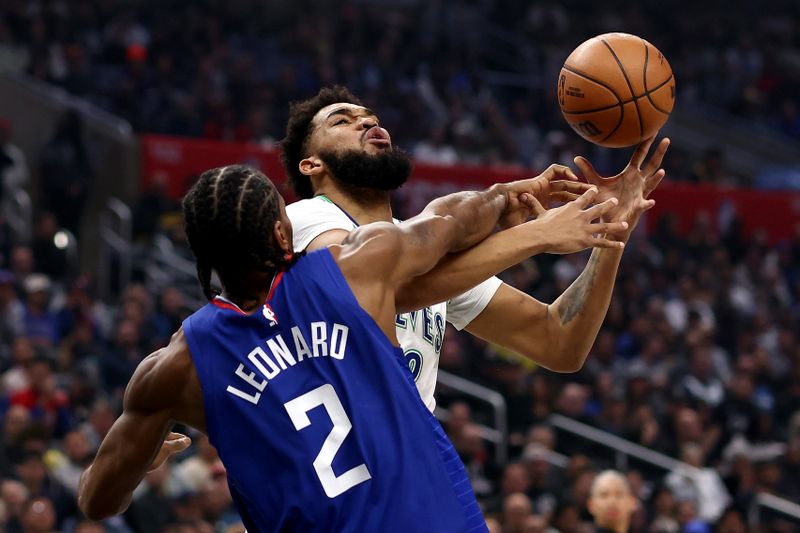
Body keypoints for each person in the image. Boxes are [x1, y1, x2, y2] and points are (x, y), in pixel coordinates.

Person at [76, 164, 627, 531]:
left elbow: (97, 500)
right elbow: (451, 219)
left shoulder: (175, 368)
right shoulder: (357, 267)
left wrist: (146, 455)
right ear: (280, 233)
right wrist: (516, 200)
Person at [280, 86, 669, 411]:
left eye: (369, 116)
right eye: (342, 122)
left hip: (409, 469)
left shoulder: (430, 261)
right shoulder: (306, 219)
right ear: (311, 165)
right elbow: (376, 286)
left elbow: (558, 341)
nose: (367, 121)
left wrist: (611, 234)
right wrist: (534, 236)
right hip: (339, 473)